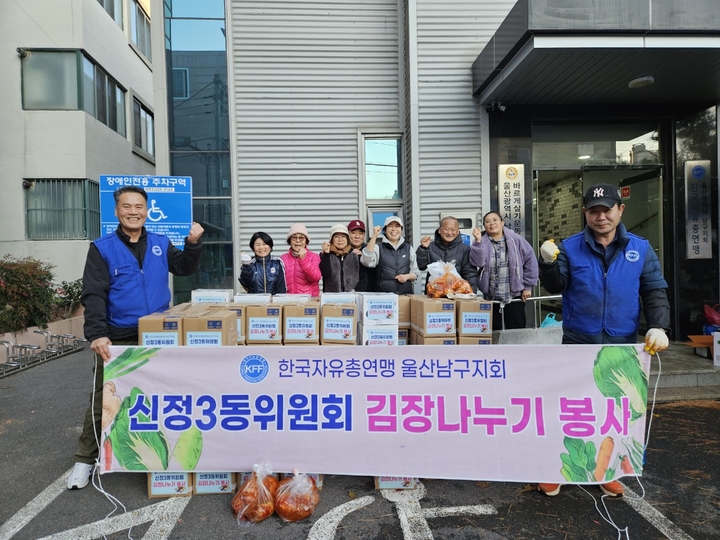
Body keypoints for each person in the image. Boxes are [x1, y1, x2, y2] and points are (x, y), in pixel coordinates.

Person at [537, 183, 670, 498]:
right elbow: (557, 285)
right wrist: (548, 263)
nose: (601, 217)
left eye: (607, 210)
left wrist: (659, 326)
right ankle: (557, 468)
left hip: (621, 345)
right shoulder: (569, 247)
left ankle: (606, 471)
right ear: (585, 213)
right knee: (571, 409)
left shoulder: (640, 249)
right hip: (578, 343)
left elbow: (654, 291)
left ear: (620, 210)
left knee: (613, 412)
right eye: (594, 211)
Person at [69, 186, 204, 490]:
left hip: (158, 334)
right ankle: (84, 460)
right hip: (118, 337)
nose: (134, 212)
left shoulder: (160, 242)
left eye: (139, 206)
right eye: (127, 206)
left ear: (147, 210)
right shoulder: (102, 248)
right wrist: (97, 333)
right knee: (104, 398)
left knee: (163, 394)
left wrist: (193, 244)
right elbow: (94, 293)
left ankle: (161, 454)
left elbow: (184, 267)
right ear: (117, 211)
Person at [469, 211, 538, 330]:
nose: (492, 223)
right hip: (491, 296)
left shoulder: (516, 239)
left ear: (502, 222)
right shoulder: (481, 242)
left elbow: (530, 261)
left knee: (516, 331)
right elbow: (477, 263)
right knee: (494, 332)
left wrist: (528, 287)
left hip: (514, 295)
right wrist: (478, 242)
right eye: (488, 221)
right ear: (484, 226)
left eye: (495, 220)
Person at [416, 216, 478, 294]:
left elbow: (470, 273)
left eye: (453, 230)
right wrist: (423, 249)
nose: (449, 233)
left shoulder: (465, 249)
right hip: (435, 293)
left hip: (457, 293)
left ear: (458, 231)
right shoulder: (430, 246)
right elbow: (421, 266)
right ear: (439, 230)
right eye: (446, 229)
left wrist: (471, 293)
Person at [362, 216, 419, 294]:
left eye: (397, 226)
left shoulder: (409, 249)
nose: (394, 229)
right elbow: (368, 262)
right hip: (384, 296)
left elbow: (415, 272)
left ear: (401, 230)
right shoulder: (378, 248)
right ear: (385, 230)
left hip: (405, 295)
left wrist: (407, 276)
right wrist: (374, 235)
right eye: (390, 226)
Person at [280, 223, 322, 296]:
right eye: (294, 238)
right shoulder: (283, 258)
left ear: (306, 241)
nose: (298, 241)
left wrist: (303, 259)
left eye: (301, 238)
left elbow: (316, 277)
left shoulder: (314, 257)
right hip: (289, 300)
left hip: (309, 300)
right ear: (290, 241)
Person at [319, 223, 360, 292]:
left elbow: (361, 278)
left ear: (347, 239)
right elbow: (325, 273)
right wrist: (326, 254)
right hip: (331, 295)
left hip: (351, 295)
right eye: (336, 236)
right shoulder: (325, 255)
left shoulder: (354, 255)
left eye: (343, 236)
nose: (340, 240)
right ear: (332, 239)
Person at [347, 219, 376, 292]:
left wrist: (365, 256)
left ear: (364, 235)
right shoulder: (343, 251)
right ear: (348, 233)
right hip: (348, 293)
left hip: (369, 293)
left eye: (360, 233)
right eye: (353, 233)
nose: (357, 236)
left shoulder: (371, 249)